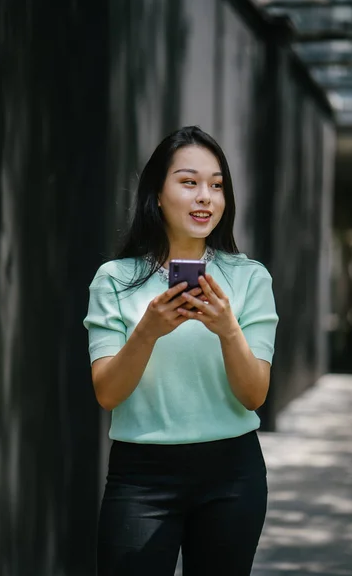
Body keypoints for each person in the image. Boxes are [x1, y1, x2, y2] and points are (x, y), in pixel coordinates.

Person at [83, 125, 279, 576]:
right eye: (189, 182)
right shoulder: (114, 279)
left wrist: (228, 329)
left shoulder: (250, 279)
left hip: (233, 474)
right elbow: (107, 394)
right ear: (156, 193)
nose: (205, 197)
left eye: (216, 185)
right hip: (141, 476)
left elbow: (254, 396)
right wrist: (148, 330)